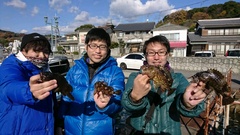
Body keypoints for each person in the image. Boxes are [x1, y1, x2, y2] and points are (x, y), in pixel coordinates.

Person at [121, 35, 207, 134]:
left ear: (167, 54)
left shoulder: (178, 78)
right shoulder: (135, 77)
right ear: (145, 55)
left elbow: (188, 101)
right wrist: (134, 97)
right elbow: (125, 104)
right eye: (151, 53)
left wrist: (187, 103)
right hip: (141, 131)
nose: (156, 57)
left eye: (161, 52)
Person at [58, 28, 125, 135]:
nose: (97, 51)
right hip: (71, 129)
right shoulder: (74, 70)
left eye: (102, 46)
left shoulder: (115, 72)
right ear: (86, 46)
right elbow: (66, 98)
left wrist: (105, 105)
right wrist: (60, 122)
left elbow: (118, 104)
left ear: (108, 49)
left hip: (101, 131)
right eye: (93, 45)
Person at [0, 33, 58, 134]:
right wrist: (28, 91)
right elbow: (8, 87)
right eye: (36, 51)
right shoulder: (11, 65)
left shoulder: (45, 69)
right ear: (23, 50)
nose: (42, 56)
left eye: (46, 52)